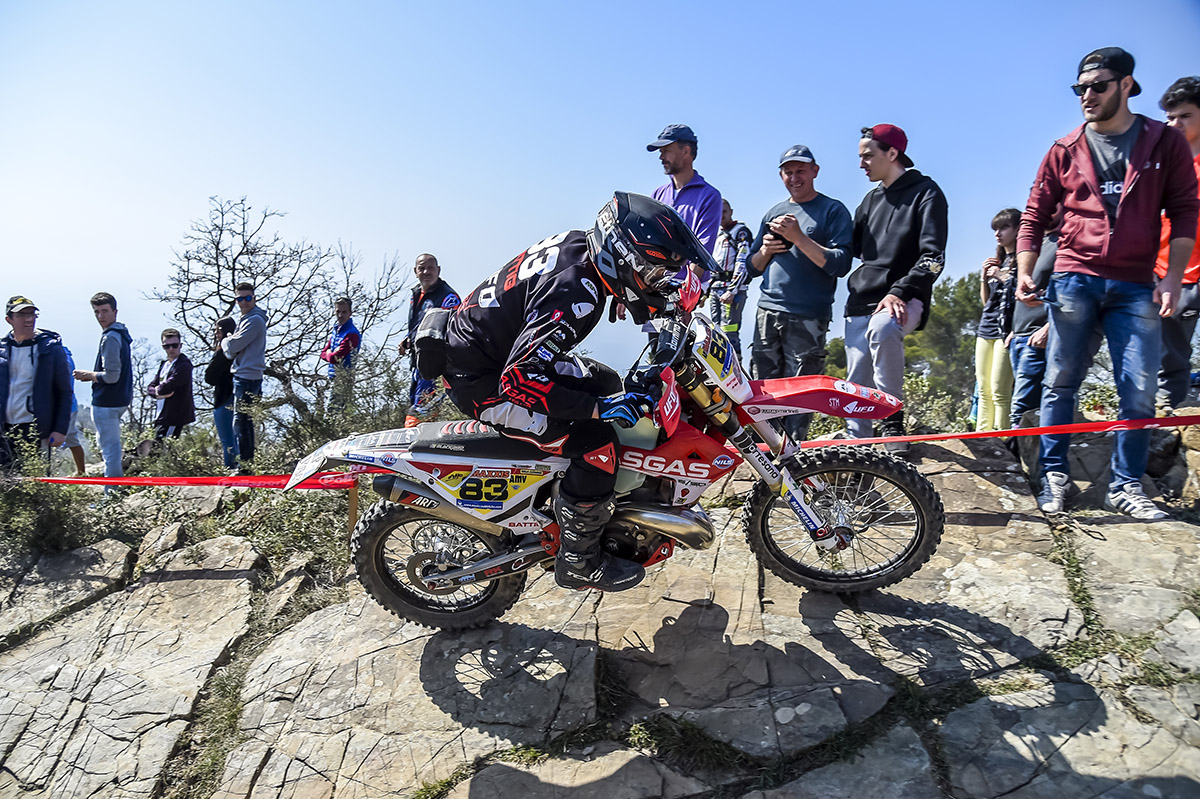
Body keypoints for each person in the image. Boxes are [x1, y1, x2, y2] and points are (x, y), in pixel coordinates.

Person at [442, 192, 715, 593]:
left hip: (499, 356)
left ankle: (595, 497)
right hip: (486, 384)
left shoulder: (582, 251)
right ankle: (578, 560)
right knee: (596, 445)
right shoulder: (576, 295)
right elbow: (518, 380)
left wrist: (654, 303)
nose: (658, 281)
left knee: (608, 381)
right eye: (654, 272)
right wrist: (597, 409)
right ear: (622, 257)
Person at [1016, 47, 1199, 520]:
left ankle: (1125, 486)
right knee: (1060, 382)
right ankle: (1054, 476)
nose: (1087, 96)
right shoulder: (1063, 148)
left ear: (1126, 85)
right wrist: (1024, 270)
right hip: (1074, 277)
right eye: (1080, 89)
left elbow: (1184, 211)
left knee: (1137, 388)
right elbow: (1034, 215)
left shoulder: (1164, 142)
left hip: (1137, 283)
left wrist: (1172, 278)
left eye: (1098, 86)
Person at [845, 125, 949, 454]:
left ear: (892, 153)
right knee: (855, 384)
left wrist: (898, 291)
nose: (861, 164)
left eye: (867, 156)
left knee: (884, 327)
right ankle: (857, 453)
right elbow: (849, 248)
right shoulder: (869, 200)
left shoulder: (927, 192)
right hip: (860, 301)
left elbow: (933, 258)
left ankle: (892, 420)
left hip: (906, 297)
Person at [746, 144, 853, 442]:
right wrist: (766, 250)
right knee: (763, 390)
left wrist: (798, 237)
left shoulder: (833, 210)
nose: (794, 178)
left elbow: (841, 264)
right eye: (788, 172)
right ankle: (767, 454)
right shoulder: (774, 212)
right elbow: (752, 267)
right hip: (768, 311)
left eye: (801, 171)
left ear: (815, 171)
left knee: (800, 392)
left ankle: (796, 456)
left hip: (808, 316)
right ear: (781, 175)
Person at [1155, 76, 1200, 413]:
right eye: (1170, 118)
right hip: (1165, 273)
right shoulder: (1162, 164)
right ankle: (1166, 428)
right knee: (1166, 359)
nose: (1175, 124)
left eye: (1185, 116)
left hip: (1196, 271)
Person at [0, 296, 71, 470]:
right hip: (4, 429)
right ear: (9, 319)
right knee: (6, 480)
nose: (28, 319)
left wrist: (60, 429)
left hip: (35, 429)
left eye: (32, 314)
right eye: (22, 315)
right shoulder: (2, 349)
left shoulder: (50, 349)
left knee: (35, 479)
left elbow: (64, 392)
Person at [1008, 207, 1063, 431]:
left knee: (1022, 408)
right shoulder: (1034, 245)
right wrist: (1013, 331)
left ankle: (1016, 452)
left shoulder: (1064, 244)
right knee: (1024, 406)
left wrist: (1050, 328)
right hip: (1019, 336)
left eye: (1054, 203)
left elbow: (1070, 294)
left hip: (1040, 337)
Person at [73, 292, 132, 481]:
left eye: (105, 311)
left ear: (115, 311)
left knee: (110, 450)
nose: (100, 316)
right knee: (111, 447)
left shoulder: (110, 338)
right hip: (120, 399)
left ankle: (112, 492)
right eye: (96, 312)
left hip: (107, 402)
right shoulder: (121, 334)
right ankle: (114, 488)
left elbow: (112, 376)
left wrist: (88, 375)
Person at [398, 254, 460, 426]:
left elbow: (451, 330)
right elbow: (420, 325)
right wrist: (409, 340)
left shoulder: (448, 297)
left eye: (430, 268)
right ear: (415, 271)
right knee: (416, 401)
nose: (426, 272)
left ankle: (416, 434)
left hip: (435, 364)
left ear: (438, 270)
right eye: (422, 268)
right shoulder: (416, 293)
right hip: (418, 361)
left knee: (422, 408)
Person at [974, 208, 1020, 432]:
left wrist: (1002, 276)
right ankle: (982, 436)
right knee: (983, 389)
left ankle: (1002, 438)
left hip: (1008, 331)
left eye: (1004, 228)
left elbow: (1022, 294)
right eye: (995, 229)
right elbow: (987, 302)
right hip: (986, 329)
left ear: (1018, 229)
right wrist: (984, 277)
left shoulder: (1024, 261)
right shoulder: (997, 261)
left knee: (1000, 390)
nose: (998, 234)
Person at [221, 282, 268, 472]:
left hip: (248, 376)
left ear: (254, 298)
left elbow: (232, 347)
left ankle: (245, 467)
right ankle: (246, 466)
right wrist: (230, 344)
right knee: (243, 422)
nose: (244, 302)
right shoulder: (247, 318)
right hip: (245, 375)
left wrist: (226, 340)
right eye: (240, 299)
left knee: (241, 423)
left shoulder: (254, 320)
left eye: (248, 298)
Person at [710, 199, 754, 358]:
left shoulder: (740, 232)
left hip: (732, 291)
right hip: (715, 288)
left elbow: (743, 261)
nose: (721, 215)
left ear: (731, 212)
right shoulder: (716, 234)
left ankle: (736, 365)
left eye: (724, 212)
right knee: (715, 331)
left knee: (729, 332)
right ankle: (719, 367)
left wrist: (732, 290)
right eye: (717, 212)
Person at [146, 328, 195, 441]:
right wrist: (158, 393)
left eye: (174, 345)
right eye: (167, 346)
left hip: (174, 417)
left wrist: (159, 391)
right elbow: (150, 388)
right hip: (161, 415)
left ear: (180, 345)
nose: (171, 349)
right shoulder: (164, 365)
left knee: (165, 447)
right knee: (155, 446)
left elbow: (168, 386)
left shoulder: (184, 365)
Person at [205, 317, 239, 470]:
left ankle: (232, 469)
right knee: (235, 438)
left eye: (218, 330)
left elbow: (209, 377)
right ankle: (239, 467)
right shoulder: (240, 349)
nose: (215, 333)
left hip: (224, 398)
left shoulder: (224, 352)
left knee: (228, 440)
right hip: (235, 396)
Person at [320, 296, 361, 411]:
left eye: (344, 312)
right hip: (333, 376)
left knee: (334, 411)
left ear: (350, 313)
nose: (340, 315)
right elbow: (323, 353)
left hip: (344, 377)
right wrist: (330, 353)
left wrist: (330, 353)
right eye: (338, 311)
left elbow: (335, 358)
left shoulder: (351, 334)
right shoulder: (337, 330)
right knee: (332, 409)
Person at [61, 346, 87, 476]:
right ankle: (80, 472)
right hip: (67, 404)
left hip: (65, 406)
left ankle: (80, 473)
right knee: (72, 439)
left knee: (71, 438)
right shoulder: (64, 355)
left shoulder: (61, 357)